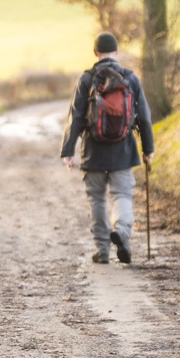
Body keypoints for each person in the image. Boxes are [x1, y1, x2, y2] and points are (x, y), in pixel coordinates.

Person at [60, 31, 155, 264]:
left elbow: (76, 116)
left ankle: (102, 250)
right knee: (122, 194)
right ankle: (121, 231)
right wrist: (148, 149)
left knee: (97, 199)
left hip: (93, 151)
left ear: (95, 53)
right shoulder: (130, 78)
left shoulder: (86, 79)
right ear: (117, 51)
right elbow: (144, 117)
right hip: (123, 150)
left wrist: (68, 151)